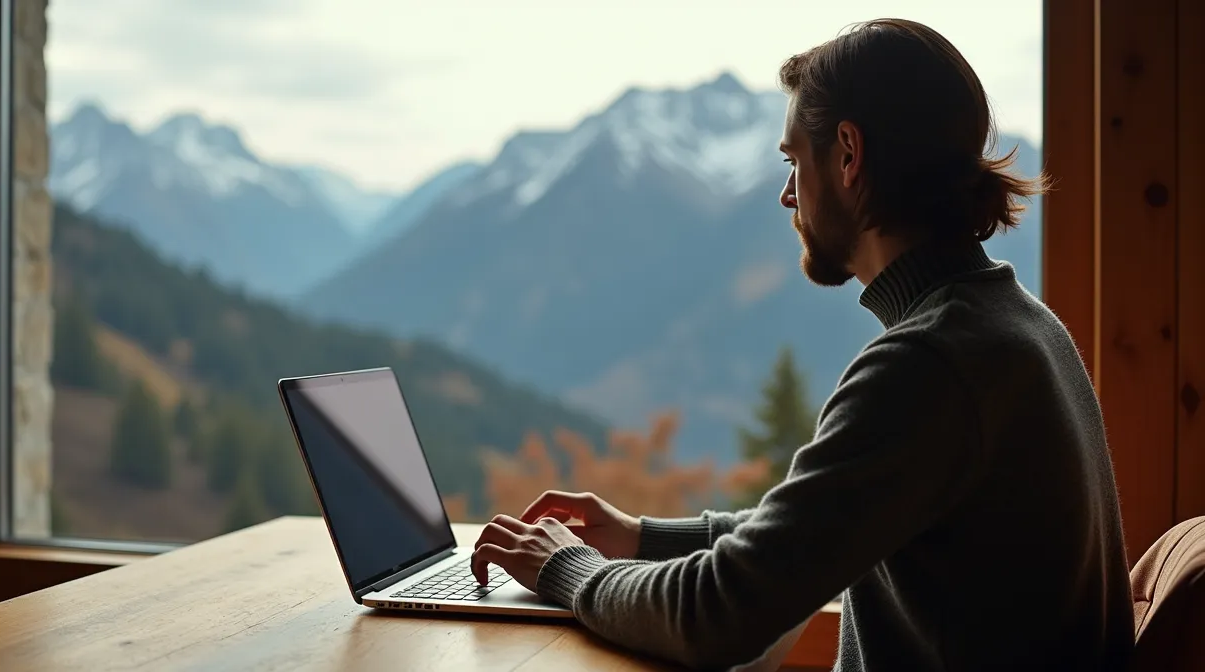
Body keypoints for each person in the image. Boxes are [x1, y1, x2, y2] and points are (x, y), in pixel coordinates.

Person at [467, 17, 1136, 672]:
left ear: (848, 154)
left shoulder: (929, 367)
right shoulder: (1016, 326)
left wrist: (566, 568)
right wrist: (642, 538)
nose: (788, 195)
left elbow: (718, 615)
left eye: (793, 161)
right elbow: (818, 531)